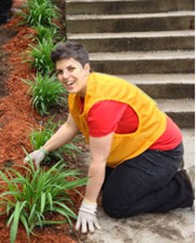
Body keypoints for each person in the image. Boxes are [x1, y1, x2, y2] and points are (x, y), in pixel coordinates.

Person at [24, 41, 194, 234]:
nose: (65, 76)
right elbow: (71, 126)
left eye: (71, 69)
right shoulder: (79, 91)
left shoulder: (101, 104)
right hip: (136, 148)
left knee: (116, 204)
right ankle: (153, 177)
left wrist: (88, 205)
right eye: (60, 72)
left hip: (161, 150)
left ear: (86, 68)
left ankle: (181, 187)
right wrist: (43, 150)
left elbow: (98, 160)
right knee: (103, 184)